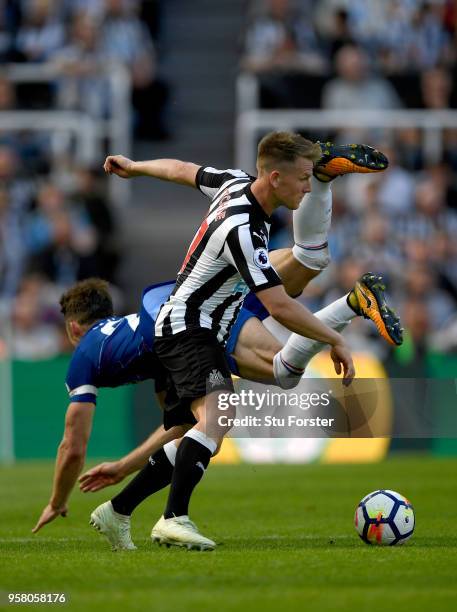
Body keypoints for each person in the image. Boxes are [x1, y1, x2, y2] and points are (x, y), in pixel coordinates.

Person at [96, 133, 394, 551]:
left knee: (192, 433)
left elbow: (183, 170)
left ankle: (117, 511)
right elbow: (279, 305)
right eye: (305, 179)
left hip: (202, 326)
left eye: (313, 179)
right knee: (220, 414)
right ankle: (173, 518)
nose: (305, 188)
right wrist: (333, 340)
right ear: (275, 178)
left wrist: (137, 166)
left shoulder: (235, 182)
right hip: (189, 327)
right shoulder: (243, 227)